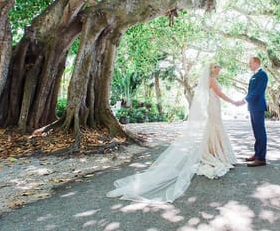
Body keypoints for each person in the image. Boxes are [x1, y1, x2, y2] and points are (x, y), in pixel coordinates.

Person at [106, 63, 237, 203]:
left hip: (214, 106)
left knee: (215, 128)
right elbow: (220, 94)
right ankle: (216, 152)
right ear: (212, 69)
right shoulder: (211, 80)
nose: (220, 69)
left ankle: (215, 151)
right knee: (215, 127)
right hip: (213, 107)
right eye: (218, 67)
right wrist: (235, 102)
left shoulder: (212, 80)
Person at [236, 57, 268, 167]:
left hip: (258, 106)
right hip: (253, 107)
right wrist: (245, 101)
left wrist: (244, 100)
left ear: (257, 63)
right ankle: (257, 154)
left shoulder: (262, 75)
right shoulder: (254, 75)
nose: (249, 65)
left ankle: (261, 158)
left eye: (250, 63)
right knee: (256, 132)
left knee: (260, 132)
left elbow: (258, 91)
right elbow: (251, 91)